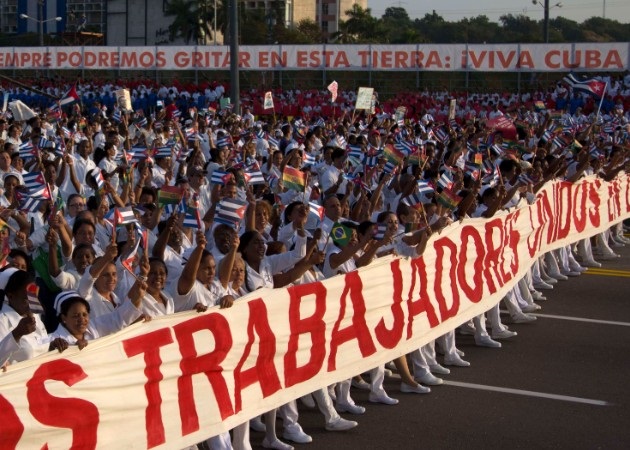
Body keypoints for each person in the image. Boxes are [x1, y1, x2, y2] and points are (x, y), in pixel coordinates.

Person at [0, 268, 48, 365]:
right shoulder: (2, 321)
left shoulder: (35, 315)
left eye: (34, 297)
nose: (33, 303)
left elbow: (43, 342)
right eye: (27, 299)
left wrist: (53, 342)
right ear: (10, 296)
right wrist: (16, 334)